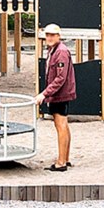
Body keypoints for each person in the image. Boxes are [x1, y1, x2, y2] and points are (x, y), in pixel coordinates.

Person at [36, 27, 78, 170]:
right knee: (63, 125)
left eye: (53, 35)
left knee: (60, 125)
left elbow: (60, 77)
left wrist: (45, 93)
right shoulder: (54, 50)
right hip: (59, 93)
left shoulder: (60, 52)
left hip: (60, 94)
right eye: (48, 35)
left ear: (59, 36)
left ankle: (61, 162)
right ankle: (64, 158)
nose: (49, 38)